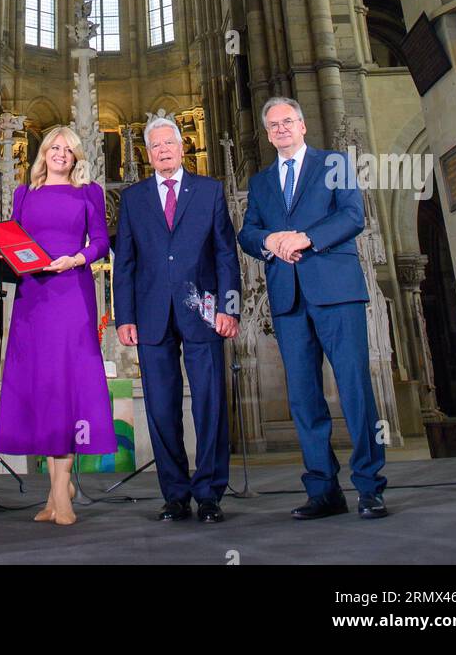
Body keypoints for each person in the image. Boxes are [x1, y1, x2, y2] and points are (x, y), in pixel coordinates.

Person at [238, 97, 388, 520]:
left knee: (355, 388)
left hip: (336, 291)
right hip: (287, 299)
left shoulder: (334, 162)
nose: (281, 129)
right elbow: (248, 233)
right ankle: (323, 489)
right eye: (273, 125)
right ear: (267, 134)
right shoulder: (262, 182)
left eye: (288, 121)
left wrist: (305, 237)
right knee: (304, 399)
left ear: (302, 126)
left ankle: (369, 486)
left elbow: (353, 216)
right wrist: (267, 241)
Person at [113, 116, 241, 523]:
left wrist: (229, 307)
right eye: (155, 146)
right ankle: (174, 493)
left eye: (169, 143)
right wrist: (124, 316)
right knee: (161, 407)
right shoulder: (134, 199)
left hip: (203, 311)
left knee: (209, 402)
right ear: (147, 154)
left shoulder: (210, 191)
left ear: (181, 147)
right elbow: (125, 263)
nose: (163, 151)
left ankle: (209, 493)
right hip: (151, 315)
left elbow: (225, 254)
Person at [0, 126, 115, 526]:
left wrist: (76, 259)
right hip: (33, 299)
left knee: (67, 385)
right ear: (42, 153)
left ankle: (62, 492)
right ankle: (56, 489)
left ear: (77, 156)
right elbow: (14, 239)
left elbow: (100, 241)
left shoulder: (88, 192)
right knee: (42, 385)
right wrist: (1, 248)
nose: (60, 153)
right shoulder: (23, 195)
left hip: (71, 295)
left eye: (68, 149)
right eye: (54, 147)